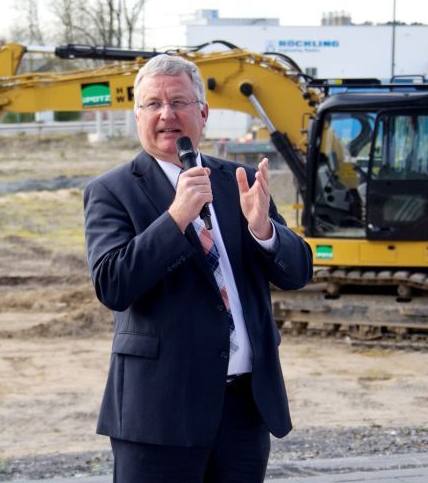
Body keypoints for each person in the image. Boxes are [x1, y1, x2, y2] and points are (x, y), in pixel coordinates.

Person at [83, 54, 313, 482]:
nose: (166, 114)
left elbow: (297, 272)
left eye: (179, 102)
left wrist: (263, 229)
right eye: (152, 104)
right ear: (137, 116)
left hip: (244, 409)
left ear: (203, 112)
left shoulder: (239, 179)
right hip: (158, 412)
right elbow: (113, 284)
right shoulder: (111, 192)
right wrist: (176, 217)